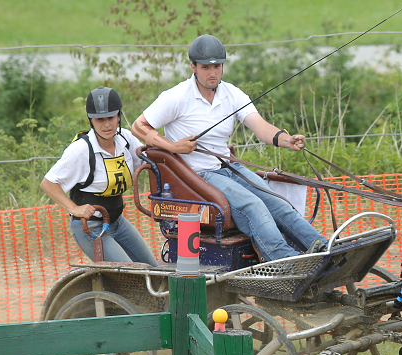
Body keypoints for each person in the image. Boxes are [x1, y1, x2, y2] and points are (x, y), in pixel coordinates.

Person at [131, 34, 326, 262]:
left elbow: (261, 127)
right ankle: (285, 260)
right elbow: (139, 126)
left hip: (227, 167)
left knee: (277, 201)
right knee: (253, 205)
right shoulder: (175, 97)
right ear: (193, 67)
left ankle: (320, 246)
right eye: (205, 67)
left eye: (217, 66)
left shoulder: (232, 94)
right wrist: (173, 146)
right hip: (197, 175)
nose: (212, 73)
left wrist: (286, 139)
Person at [41, 87, 158, 266]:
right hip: (91, 227)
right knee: (133, 277)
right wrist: (74, 209)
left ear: (118, 116)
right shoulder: (81, 150)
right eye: (100, 120)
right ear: (91, 121)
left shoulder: (125, 139)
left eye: (111, 118)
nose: (106, 125)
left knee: (154, 270)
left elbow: (152, 163)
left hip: (118, 221)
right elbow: (48, 183)